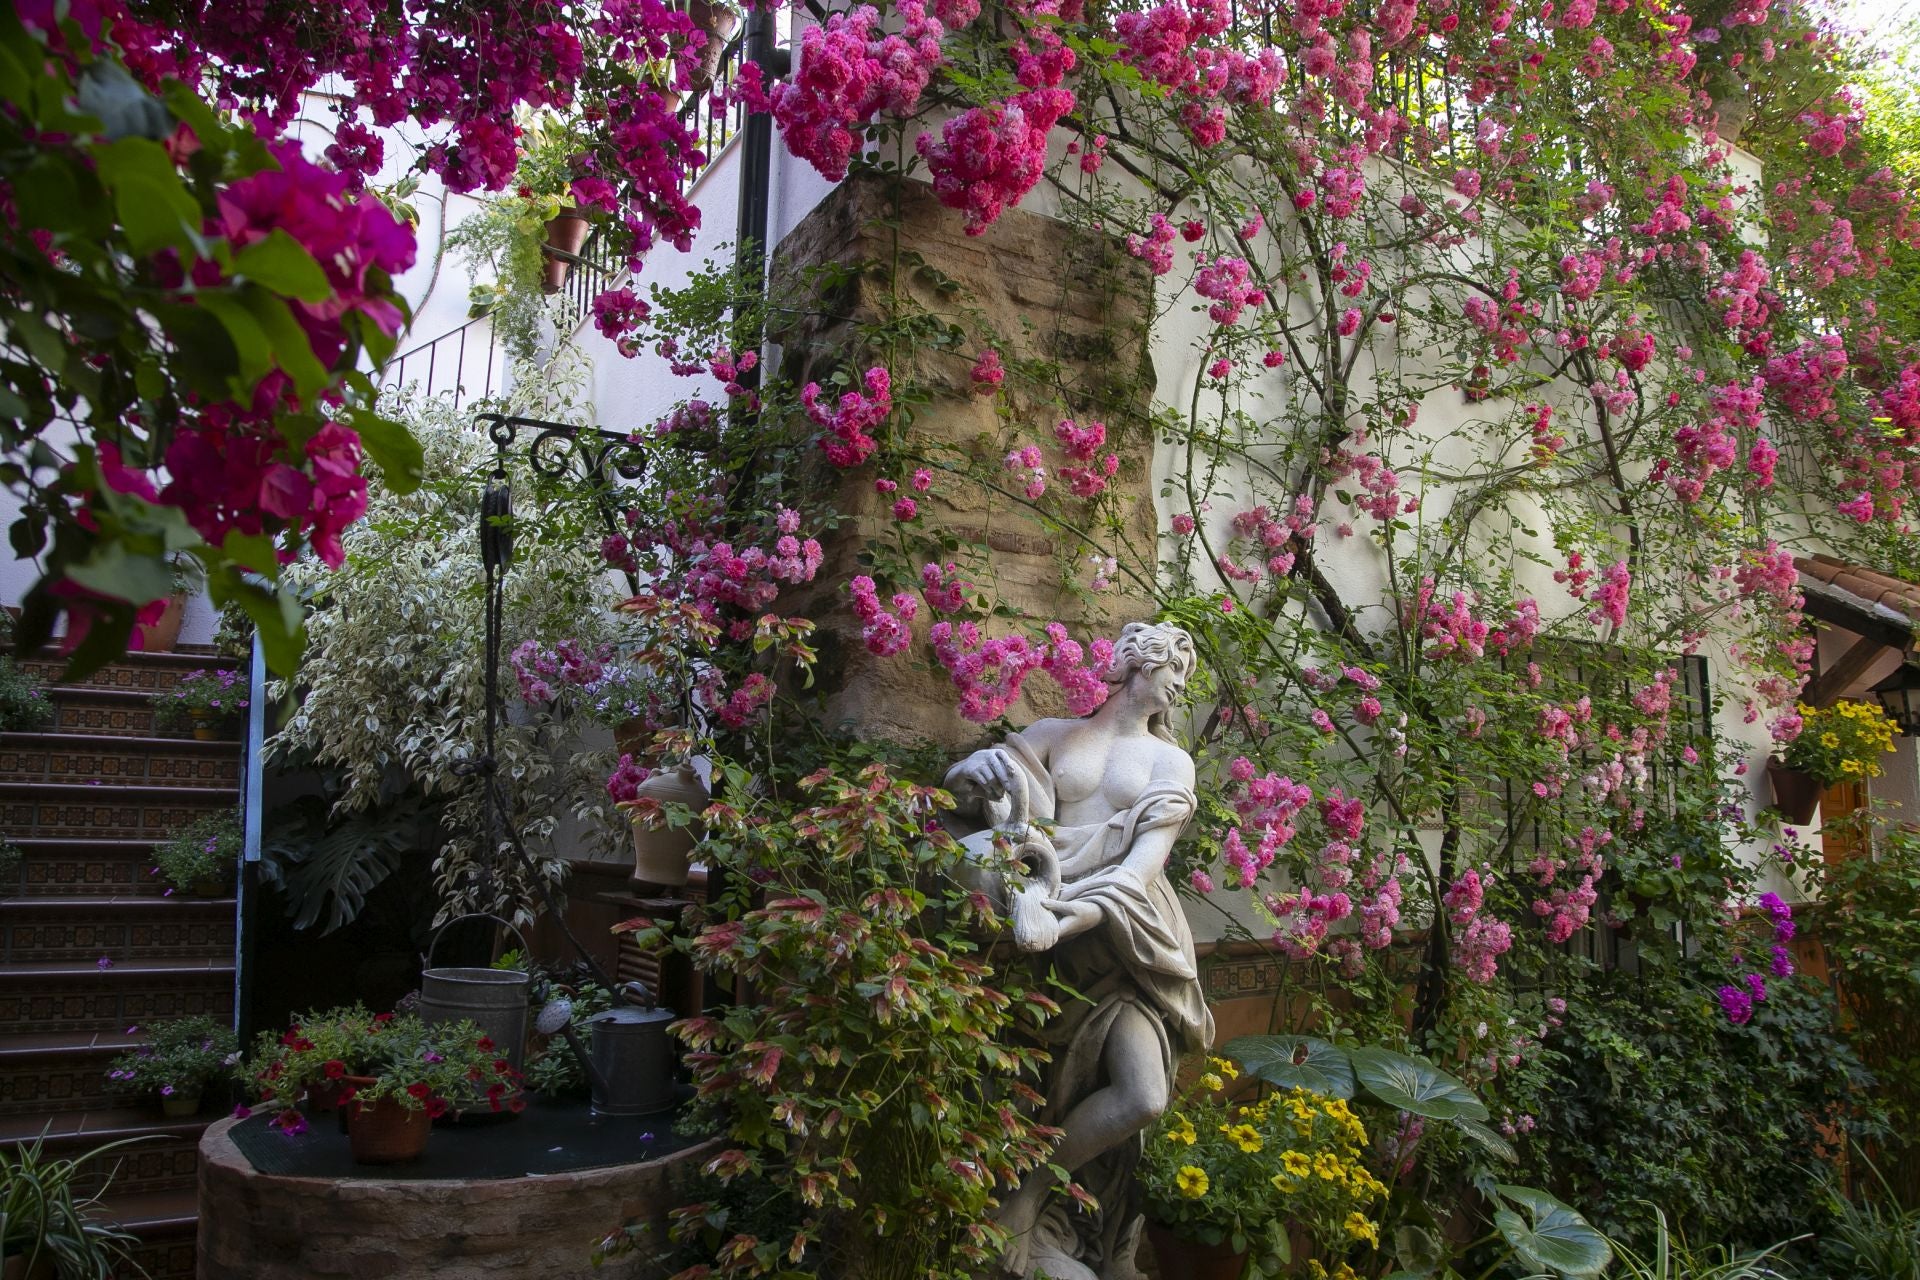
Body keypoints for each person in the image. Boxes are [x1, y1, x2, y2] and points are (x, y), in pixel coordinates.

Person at [944, 621, 1214, 1280]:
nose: (1181, 681)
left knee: (1143, 1095)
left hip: (1126, 941)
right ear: (1134, 665)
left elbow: (1137, 874)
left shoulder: (1169, 763)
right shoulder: (1053, 735)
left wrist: (1060, 919)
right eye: (1173, 665)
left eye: (1185, 669)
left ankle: (1032, 1193)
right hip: (1041, 945)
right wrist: (968, 771)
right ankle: (1030, 1231)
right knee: (1032, 1088)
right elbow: (968, 797)